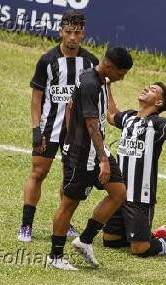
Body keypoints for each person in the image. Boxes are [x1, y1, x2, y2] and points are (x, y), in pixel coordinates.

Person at [47, 47, 133, 270]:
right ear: (110, 66)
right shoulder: (89, 84)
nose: (122, 78)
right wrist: (102, 159)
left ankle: (84, 240)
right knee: (70, 203)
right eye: (121, 73)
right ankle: (55, 256)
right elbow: (91, 125)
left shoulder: (101, 80)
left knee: (119, 192)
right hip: (83, 155)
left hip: (97, 150)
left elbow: (69, 108)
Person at [18, 10, 99, 242]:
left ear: (83, 33)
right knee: (38, 172)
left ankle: (65, 221)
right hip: (49, 128)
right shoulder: (47, 60)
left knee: (69, 177)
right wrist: (36, 129)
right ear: (60, 32)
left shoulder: (91, 62)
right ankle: (26, 225)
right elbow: (36, 97)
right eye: (68, 32)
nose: (72, 37)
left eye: (77, 32)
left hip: (76, 133)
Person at [102, 78, 166, 258]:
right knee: (110, 241)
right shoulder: (129, 118)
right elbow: (111, 115)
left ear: (159, 102)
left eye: (152, 89)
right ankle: (148, 234)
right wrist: (108, 86)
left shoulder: (158, 123)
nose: (146, 88)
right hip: (118, 193)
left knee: (140, 250)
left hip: (140, 196)